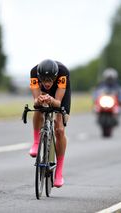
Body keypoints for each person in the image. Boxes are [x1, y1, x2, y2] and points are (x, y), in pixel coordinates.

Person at [29, 59, 71, 188]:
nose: (47, 83)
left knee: (60, 130)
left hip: (60, 96)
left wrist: (52, 100)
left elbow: (58, 103)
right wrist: (39, 100)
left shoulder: (63, 73)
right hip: (44, 96)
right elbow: (35, 101)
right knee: (38, 108)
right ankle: (36, 143)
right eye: (44, 80)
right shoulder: (34, 72)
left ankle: (59, 172)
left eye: (49, 80)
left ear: (55, 77)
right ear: (39, 77)